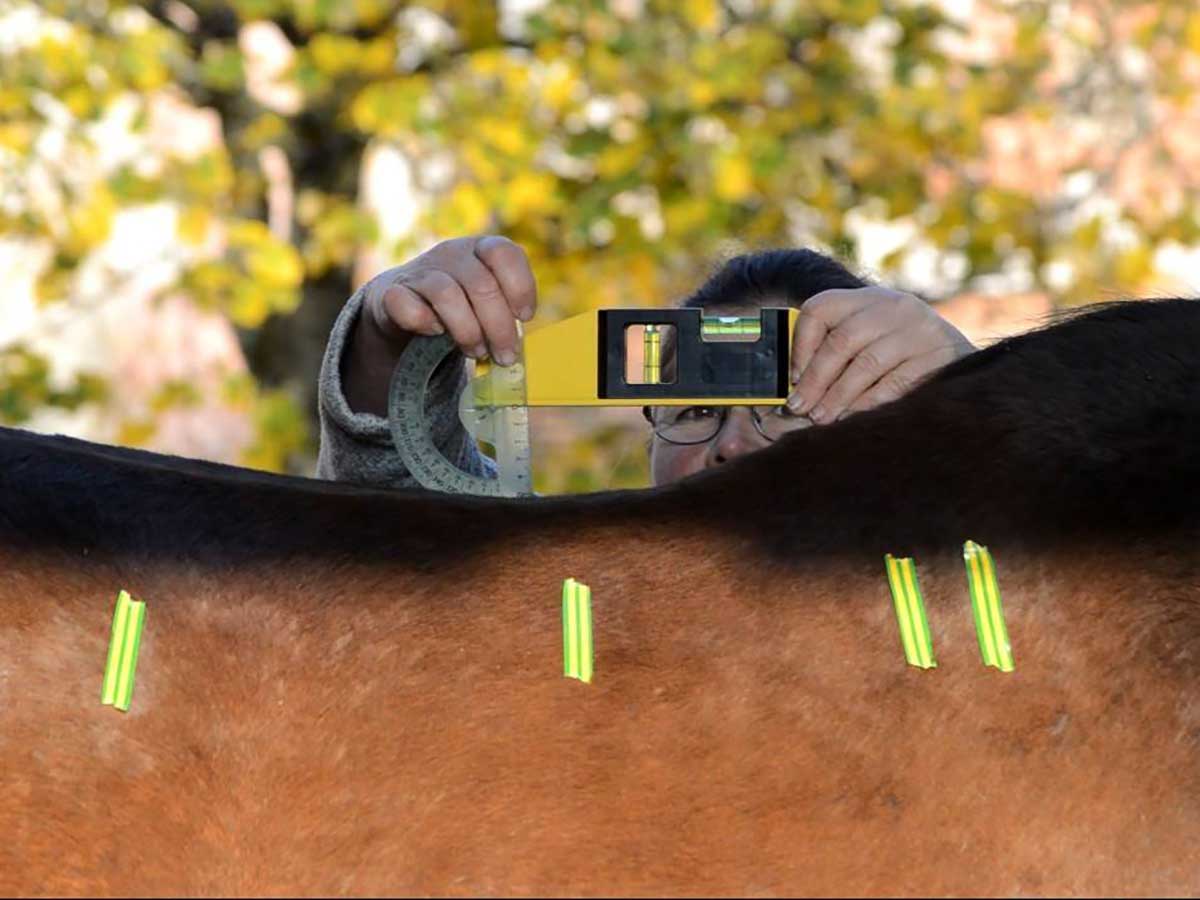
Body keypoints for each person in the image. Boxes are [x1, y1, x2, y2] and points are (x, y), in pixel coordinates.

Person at [315, 235, 975, 489]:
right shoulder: (567, 596)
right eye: (692, 409)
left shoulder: (945, 593)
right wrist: (391, 346)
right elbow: (409, 516)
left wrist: (968, 400)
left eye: (788, 407)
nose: (733, 445)